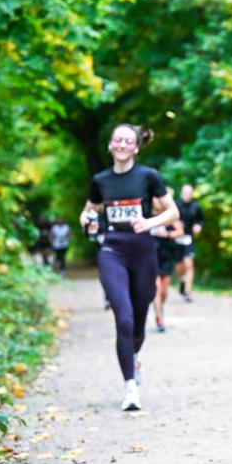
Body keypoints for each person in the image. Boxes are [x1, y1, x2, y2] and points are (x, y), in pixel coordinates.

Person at [79, 123, 179, 411]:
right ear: (111, 145)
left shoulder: (148, 176)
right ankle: (130, 387)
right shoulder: (101, 181)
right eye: (117, 140)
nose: (122, 144)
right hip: (112, 251)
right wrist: (87, 220)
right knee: (122, 319)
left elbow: (173, 211)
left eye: (128, 141)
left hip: (143, 252)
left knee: (137, 324)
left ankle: (133, 356)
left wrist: (149, 222)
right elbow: (87, 212)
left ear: (136, 146)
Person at [151, 188, 185, 332]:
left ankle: (160, 310)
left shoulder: (170, 215)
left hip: (167, 254)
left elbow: (180, 232)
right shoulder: (147, 214)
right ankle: (159, 318)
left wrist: (166, 234)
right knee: (156, 289)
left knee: (164, 291)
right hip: (151, 254)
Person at [174, 183, 204, 303]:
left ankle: (187, 292)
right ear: (181, 193)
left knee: (189, 265)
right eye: (185, 193)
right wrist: (175, 225)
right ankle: (182, 281)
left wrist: (198, 226)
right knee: (180, 267)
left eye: (189, 193)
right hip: (176, 238)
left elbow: (201, 220)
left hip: (188, 239)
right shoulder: (175, 205)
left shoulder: (196, 206)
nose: (187, 195)